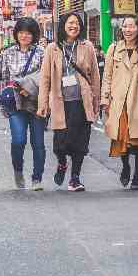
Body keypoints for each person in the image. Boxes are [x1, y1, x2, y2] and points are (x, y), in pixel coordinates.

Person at [37, 13, 100, 192]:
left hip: (81, 102)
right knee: (60, 144)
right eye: (70, 23)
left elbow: (94, 75)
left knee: (80, 143)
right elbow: (45, 78)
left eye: (77, 23)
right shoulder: (52, 48)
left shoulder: (87, 46)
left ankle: (75, 178)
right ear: (63, 25)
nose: (74, 26)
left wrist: (97, 100)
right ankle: (62, 163)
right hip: (60, 103)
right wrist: (43, 104)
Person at [101, 16, 138, 190]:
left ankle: (137, 177)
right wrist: (105, 99)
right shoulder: (114, 48)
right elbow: (107, 76)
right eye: (125, 26)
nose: (127, 30)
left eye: (131, 26)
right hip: (119, 102)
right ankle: (125, 167)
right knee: (122, 140)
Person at [0, 17, 46, 191]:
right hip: (15, 103)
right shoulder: (8, 53)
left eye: (28, 33)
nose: (25, 36)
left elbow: (46, 77)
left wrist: (30, 88)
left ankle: (37, 178)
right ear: (16, 34)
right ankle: (18, 171)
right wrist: (4, 100)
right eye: (21, 32)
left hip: (36, 101)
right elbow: (3, 78)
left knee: (38, 142)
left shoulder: (42, 52)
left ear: (34, 35)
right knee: (18, 140)